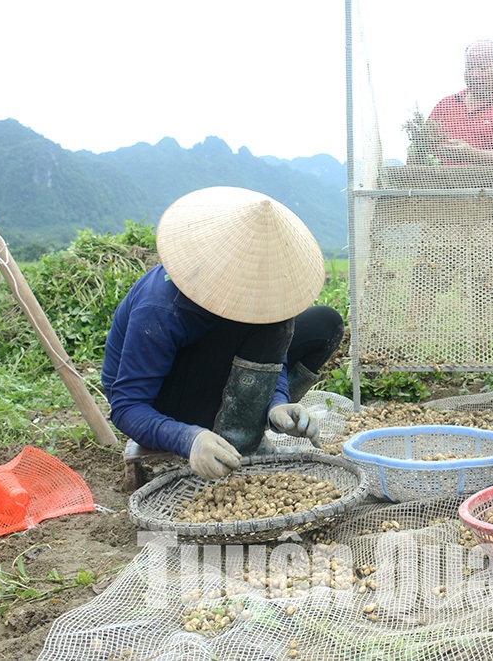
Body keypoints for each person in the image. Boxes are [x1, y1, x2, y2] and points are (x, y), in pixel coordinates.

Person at [101, 187, 344, 480]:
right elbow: (127, 407)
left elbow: (270, 351)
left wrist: (278, 402)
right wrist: (187, 438)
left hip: (217, 374)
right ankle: (235, 442)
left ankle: (253, 423)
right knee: (272, 326)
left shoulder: (254, 293)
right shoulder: (161, 309)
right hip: (163, 401)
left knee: (323, 324)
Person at [428, 39, 493, 165]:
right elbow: (422, 143)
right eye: (469, 67)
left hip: (483, 183)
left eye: (483, 67)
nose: (475, 74)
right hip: (438, 182)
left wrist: (472, 154)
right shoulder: (445, 105)